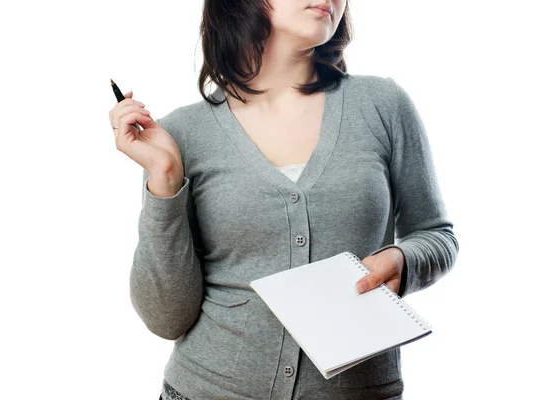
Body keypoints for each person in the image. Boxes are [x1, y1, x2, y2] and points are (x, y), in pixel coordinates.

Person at [108, 0, 459, 399]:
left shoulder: (383, 105)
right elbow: (166, 317)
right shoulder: (180, 133)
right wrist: (165, 180)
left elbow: (436, 235)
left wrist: (404, 260)